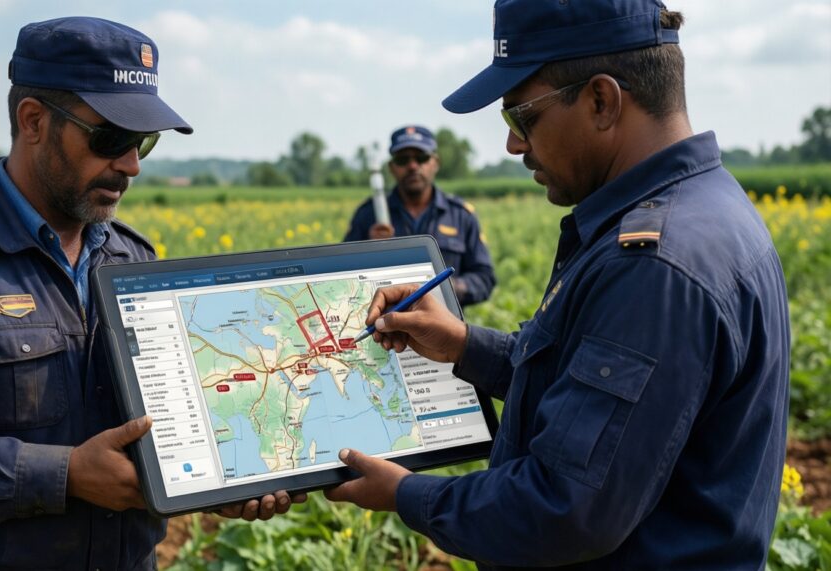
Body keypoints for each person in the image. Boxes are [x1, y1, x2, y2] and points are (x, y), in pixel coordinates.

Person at [325, 1, 790, 568]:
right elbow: (586, 385)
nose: (514, 146)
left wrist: (405, 493)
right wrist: (464, 346)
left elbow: (565, 509)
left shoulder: (655, 266)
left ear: (601, 100)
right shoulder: (705, 209)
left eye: (522, 117)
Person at [0, 17, 301, 570]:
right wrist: (65, 475)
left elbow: (174, 425)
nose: (130, 164)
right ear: (33, 121)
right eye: (110, 138)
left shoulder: (135, 260)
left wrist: (225, 476)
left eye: (143, 143)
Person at [344, 125, 496, 307]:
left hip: (445, 330)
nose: (413, 166)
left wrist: (446, 288)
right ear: (392, 168)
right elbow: (343, 281)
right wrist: (369, 252)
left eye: (421, 157)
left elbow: (484, 278)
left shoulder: (461, 215)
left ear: (435, 163)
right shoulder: (368, 215)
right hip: (386, 329)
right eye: (403, 160)